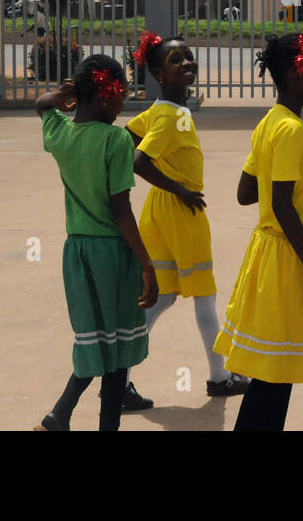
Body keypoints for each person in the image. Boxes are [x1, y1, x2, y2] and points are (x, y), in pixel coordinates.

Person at [215, 33, 303, 430]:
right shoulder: (292, 131)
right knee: (276, 374)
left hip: (266, 253)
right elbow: (282, 206)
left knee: (272, 372)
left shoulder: (270, 122)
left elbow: (246, 192)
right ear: (295, 74)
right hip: (287, 258)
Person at [123, 32, 249, 409]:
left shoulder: (162, 108)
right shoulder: (172, 116)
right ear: (160, 73)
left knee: (160, 298)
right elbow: (139, 160)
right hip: (181, 210)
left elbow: (129, 137)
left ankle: (119, 380)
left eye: (189, 57)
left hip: (159, 211)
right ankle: (219, 377)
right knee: (205, 297)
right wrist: (180, 189)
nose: (187, 64)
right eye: (176, 61)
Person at [34, 55, 158, 431]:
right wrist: (147, 265)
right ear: (105, 97)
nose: (123, 106)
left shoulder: (59, 133)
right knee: (118, 351)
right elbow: (121, 209)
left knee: (95, 341)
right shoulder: (116, 140)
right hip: (112, 255)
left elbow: (41, 105)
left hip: (77, 252)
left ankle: (59, 417)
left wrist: (60, 96)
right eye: (120, 97)